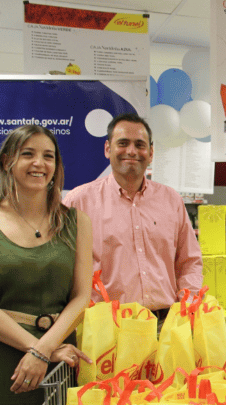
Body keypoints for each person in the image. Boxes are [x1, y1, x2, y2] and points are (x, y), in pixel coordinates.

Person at [0, 125, 93, 405]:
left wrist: (44, 350)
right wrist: (35, 350)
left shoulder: (77, 222)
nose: (39, 163)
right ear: (7, 161)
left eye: (48, 156)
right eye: (28, 154)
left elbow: (81, 298)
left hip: (59, 360)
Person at [63, 113, 203, 328]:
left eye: (140, 145)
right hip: (106, 327)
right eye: (123, 143)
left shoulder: (171, 200)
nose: (131, 151)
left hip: (165, 325)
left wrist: (187, 305)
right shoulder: (78, 202)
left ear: (151, 152)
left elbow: (189, 261)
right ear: (107, 149)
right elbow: (62, 268)